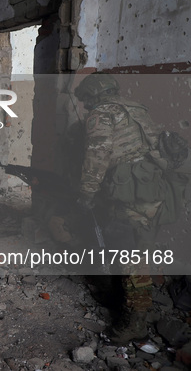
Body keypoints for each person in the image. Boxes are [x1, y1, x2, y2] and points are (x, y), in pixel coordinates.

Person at [74, 73, 163, 344]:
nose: (87, 107)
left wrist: (86, 194)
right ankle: (127, 299)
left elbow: (97, 156)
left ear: (94, 95)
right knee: (137, 249)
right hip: (150, 186)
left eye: (87, 101)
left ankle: (134, 321)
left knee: (130, 255)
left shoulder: (102, 113)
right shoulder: (134, 107)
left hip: (130, 192)